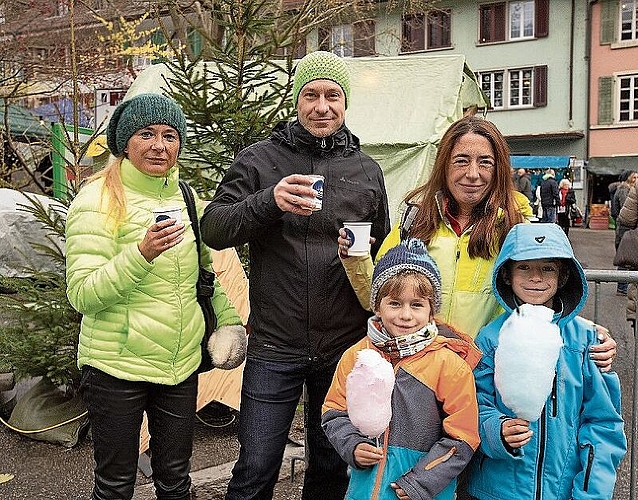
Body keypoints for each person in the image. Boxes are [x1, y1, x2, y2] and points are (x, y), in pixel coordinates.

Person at [200, 51, 391, 500]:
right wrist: (270, 201)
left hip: (343, 344)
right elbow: (214, 226)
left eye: (332, 96)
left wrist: (360, 256)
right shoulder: (260, 159)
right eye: (311, 95)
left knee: (330, 465)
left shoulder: (366, 170)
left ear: (345, 104)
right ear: (296, 99)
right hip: (275, 344)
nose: (321, 106)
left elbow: (380, 253)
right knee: (256, 466)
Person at [65, 93, 246, 500]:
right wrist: (141, 254)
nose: (159, 145)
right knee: (115, 485)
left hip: (178, 366)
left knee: (176, 481)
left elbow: (207, 275)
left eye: (169, 135)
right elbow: (82, 295)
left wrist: (230, 322)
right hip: (116, 366)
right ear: (125, 142)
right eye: (146, 134)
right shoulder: (96, 202)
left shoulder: (185, 197)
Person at [467, 223, 627, 500]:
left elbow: (603, 424)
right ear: (506, 274)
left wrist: (591, 493)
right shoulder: (492, 338)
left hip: (563, 491)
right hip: (498, 490)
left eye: (548, 268)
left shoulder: (586, 341)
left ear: (564, 276)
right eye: (524, 267)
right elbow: (475, 404)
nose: (536, 278)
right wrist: (497, 430)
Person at [322, 238, 481, 500]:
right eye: (394, 303)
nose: (405, 315)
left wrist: (422, 482)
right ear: (378, 305)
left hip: (422, 491)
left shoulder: (448, 364)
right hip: (364, 489)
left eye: (416, 304)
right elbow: (334, 412)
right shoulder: (357, 356)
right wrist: (353, 444)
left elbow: (463, 436)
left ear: (431, 311)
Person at [612, 170, 637, 295]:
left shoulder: (627, 189)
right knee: (625, 257)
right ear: (628, 178)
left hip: (624, 227)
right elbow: (624, 212)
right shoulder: (624, 190)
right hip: (624, 228)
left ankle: (622, 287)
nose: (636, 179)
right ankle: (622, 287)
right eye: (634, 177)